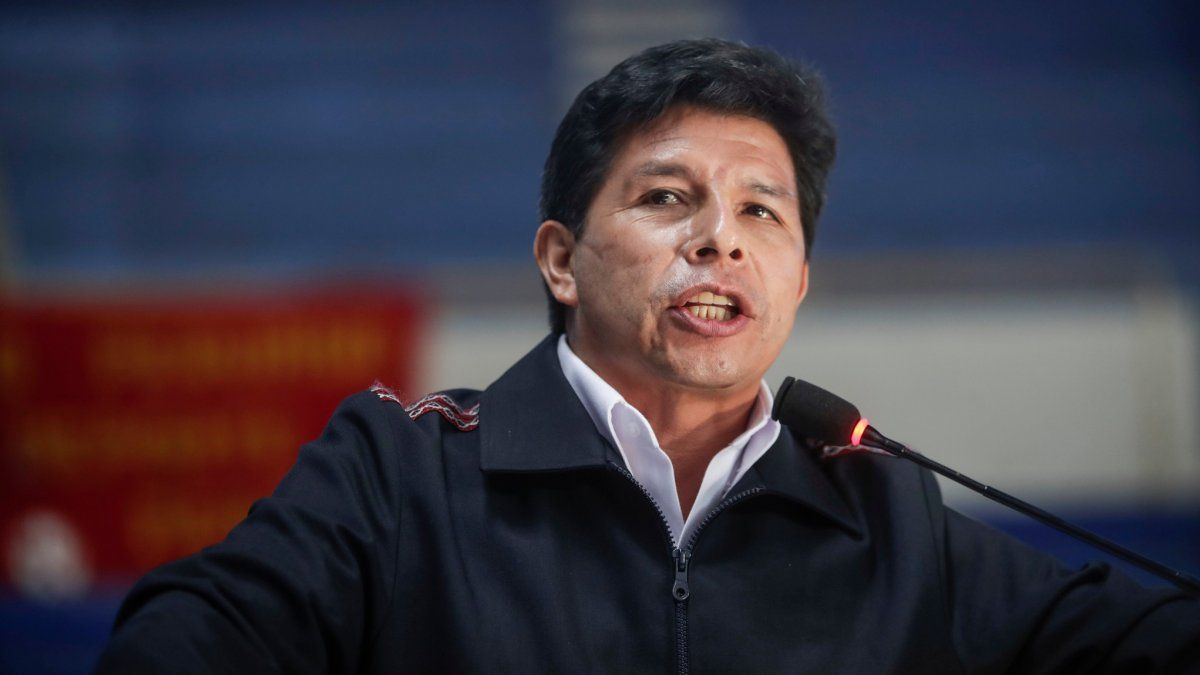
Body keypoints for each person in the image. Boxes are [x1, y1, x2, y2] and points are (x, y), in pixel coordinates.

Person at [95, 38, 1199, 673]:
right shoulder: (400, 471)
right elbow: (183, 644)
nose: (720, 237)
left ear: (797, 283)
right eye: (668, 197)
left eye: (763, 211)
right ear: (561, 261)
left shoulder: (883, 511)